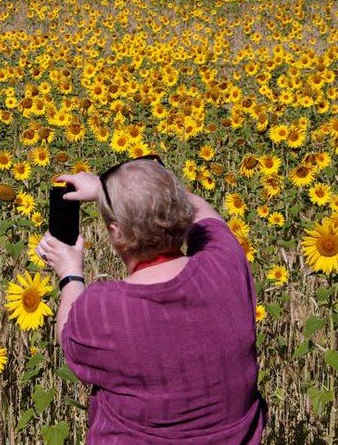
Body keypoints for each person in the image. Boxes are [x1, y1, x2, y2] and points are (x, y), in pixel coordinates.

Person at [37, 157, 266, 444]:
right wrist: (110, 188)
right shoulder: (224, 264)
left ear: (116, 232)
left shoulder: (105, 311)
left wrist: (70, 274)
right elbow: (205, 212)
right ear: (180, 210)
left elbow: (67, 335)